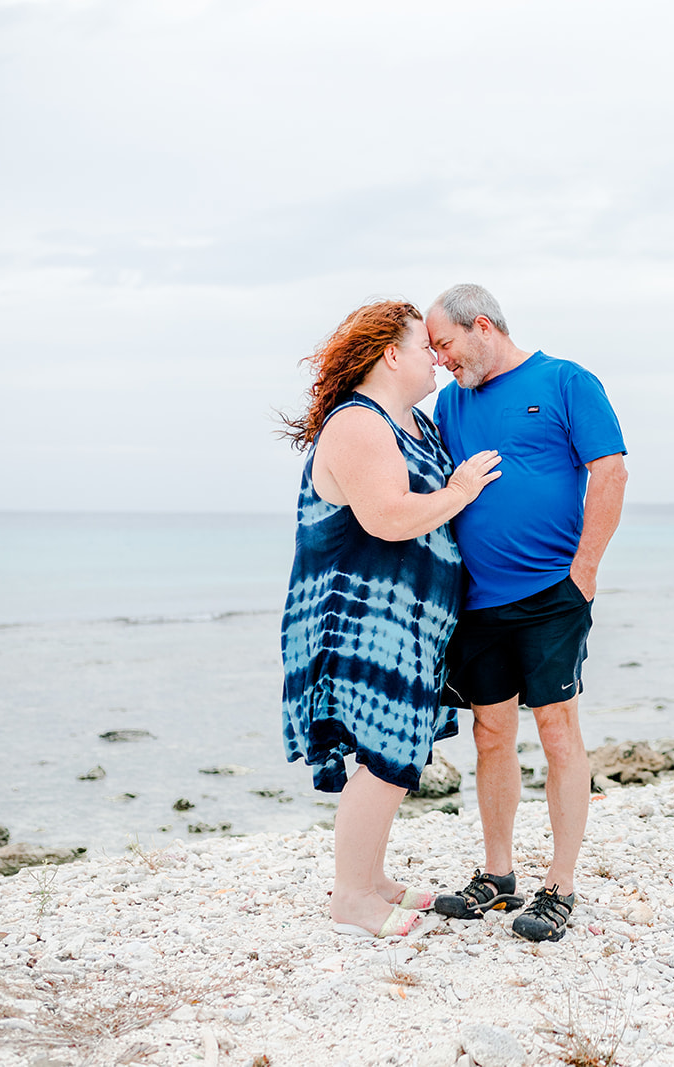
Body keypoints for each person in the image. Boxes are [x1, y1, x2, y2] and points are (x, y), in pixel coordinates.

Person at [279, 299, 502, 939]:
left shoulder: (412, 424)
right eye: (423, 344)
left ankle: (372, 879)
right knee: (386, 755)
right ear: (390, 354)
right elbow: (388, 517)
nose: (435, 354)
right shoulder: (358, 423)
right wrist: (460, 491)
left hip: (409, 619)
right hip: (358, 615)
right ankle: (351, 896)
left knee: (399, 750)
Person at [425, 284, 628, 942]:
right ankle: (498, 873)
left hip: (551, 593)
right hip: (478, 601)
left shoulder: (566, 381)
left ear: (481, 325)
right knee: (490, 734)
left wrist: (585, 571)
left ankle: (560, 885)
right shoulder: (452, 403)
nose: (440, 361)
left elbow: (610, 471)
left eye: (445, 345)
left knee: (558, 732)